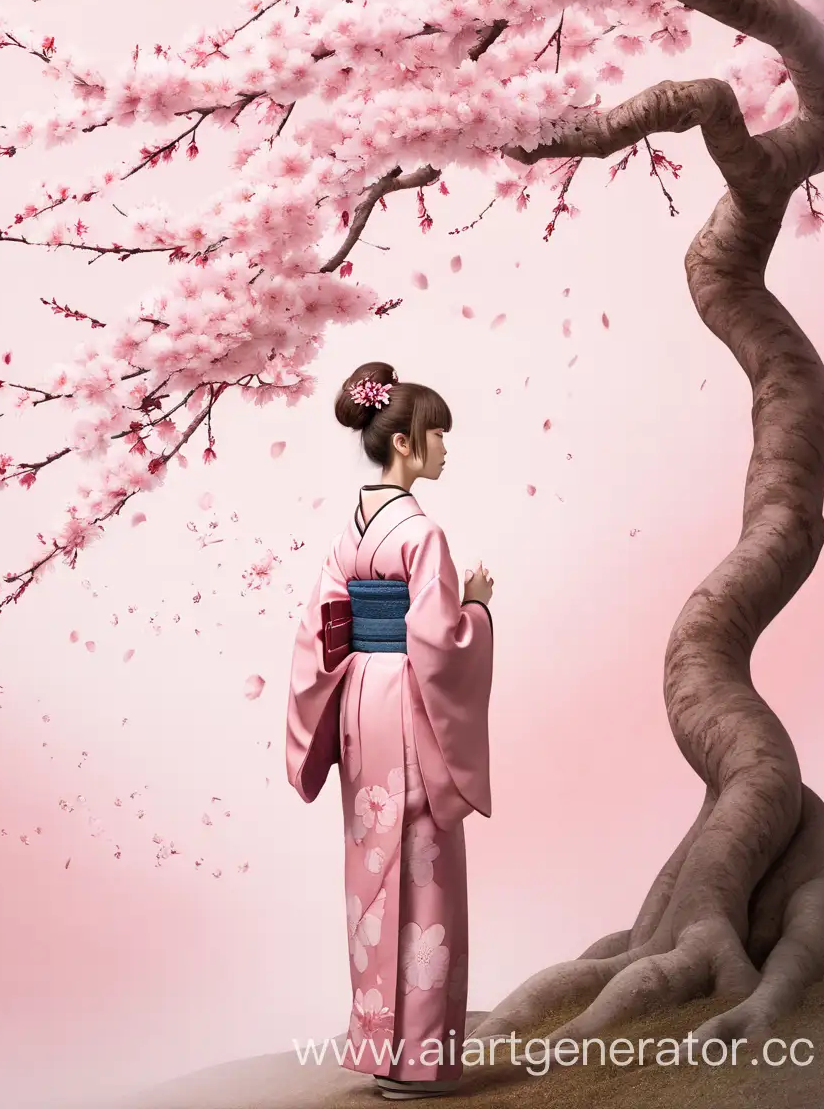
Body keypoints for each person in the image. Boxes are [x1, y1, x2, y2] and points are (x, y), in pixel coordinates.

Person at [285, 360, 495, 1101]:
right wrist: (475, 607)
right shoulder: (423, 533)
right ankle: (421, 1062)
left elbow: (321, 633)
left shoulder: (350, 531)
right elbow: (438, 639)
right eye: (437, 435)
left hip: (358, 704)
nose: (445, 448)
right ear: (404, 443)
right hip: (407, 697)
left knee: (373, 867)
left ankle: (380, 1046)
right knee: (426, 864)